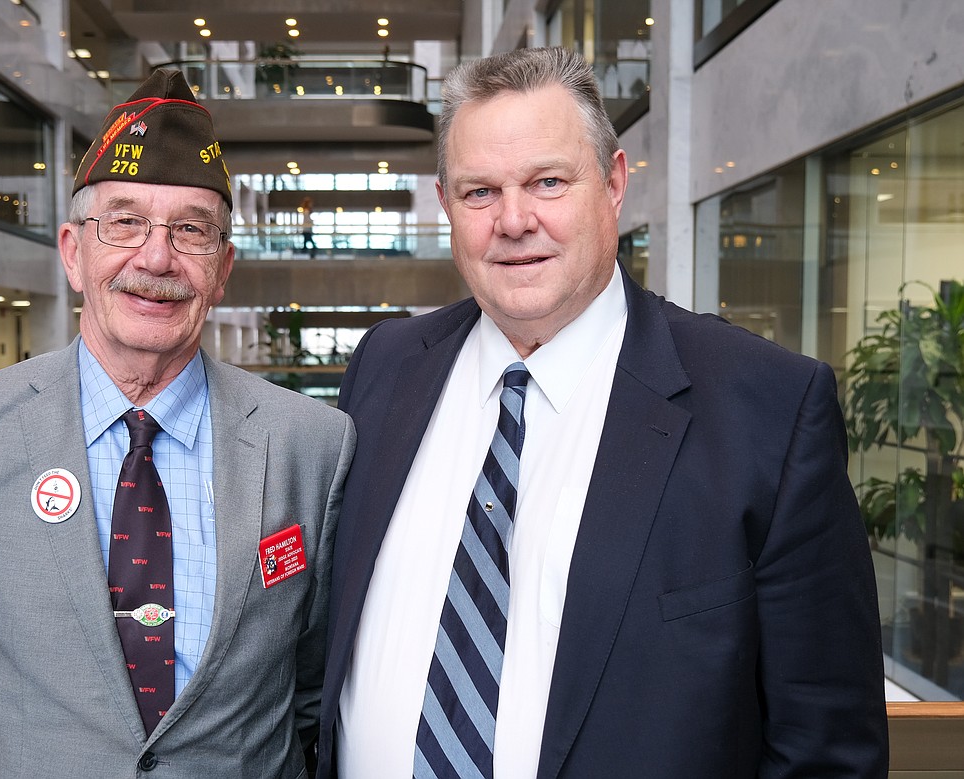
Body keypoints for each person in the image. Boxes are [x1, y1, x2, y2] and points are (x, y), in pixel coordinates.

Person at [318, 47, 888, 778]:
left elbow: (828, 752)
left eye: (547, 181)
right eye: (480, 192)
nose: (514, 219)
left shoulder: (769, 410)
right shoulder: (383, 367)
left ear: (614, 183)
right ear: (445, 205)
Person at [0, 70, 354, 778]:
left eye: (191, 230)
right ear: (75, 253)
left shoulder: (311, 443)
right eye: (126, 222)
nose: (157, 257)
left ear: (222, 268)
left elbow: (314, 680)